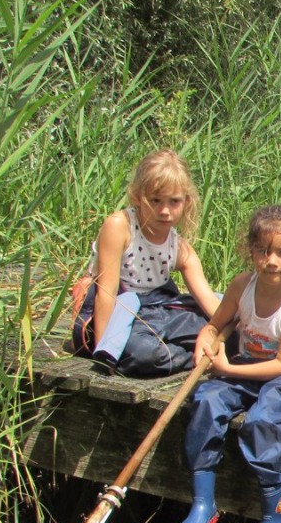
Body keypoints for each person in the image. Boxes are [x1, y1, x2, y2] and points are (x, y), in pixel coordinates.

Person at [179, 205, 281, 523]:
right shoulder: (242, 285)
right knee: (206, 400)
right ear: (251, 251)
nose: (271, 261)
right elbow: (216, 324)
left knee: (263, 419)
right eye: (263, 251)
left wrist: (227, 369)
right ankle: (203, 500)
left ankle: (276, 515)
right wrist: (205, 340)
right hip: (245, 365)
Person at [71, 149, 220, 376]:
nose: (164, 211)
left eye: (174, 201)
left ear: (186, 202)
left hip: (160, 312)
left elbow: (209, 301)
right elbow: (106, 293)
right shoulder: (119, 226)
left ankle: (193, 351)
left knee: (226, 320)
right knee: (145, 354)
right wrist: (105, 350)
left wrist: (222, 328)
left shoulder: (180, 248)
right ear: (137, 197)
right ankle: (192, 356)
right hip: (120, 315)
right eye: (155, 200)